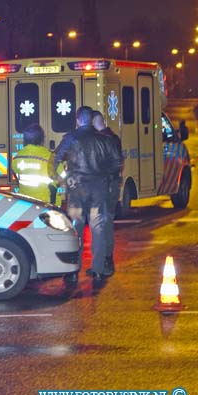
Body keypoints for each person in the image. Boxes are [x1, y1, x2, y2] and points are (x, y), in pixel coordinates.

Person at [55, 106, 123, 283]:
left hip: (77, 189)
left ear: (78, 120)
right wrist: (103, 176)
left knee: (75, 228)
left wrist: (61, 180)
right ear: (92, 121)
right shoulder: (105, 139)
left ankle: (72, 271)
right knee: (98, 228)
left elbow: (55, 159)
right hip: (98, 188)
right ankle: (99, 269)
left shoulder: (70, 138)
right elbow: (117, 163)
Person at [92, 110, 123, 276]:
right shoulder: (112, 137)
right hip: (111, 185)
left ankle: (106, 261)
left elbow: (115, 163)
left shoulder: (104, 139)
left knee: (104, 224)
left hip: (106, 186)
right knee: (105, 223)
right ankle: (105, 261)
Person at [11, 124, 58, 203]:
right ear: (42, 140)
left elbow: (16, 176)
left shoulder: (16, 158)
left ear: (24, 141)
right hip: (45, 204)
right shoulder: (50, 157)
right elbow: (61, 177)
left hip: (25, 204)